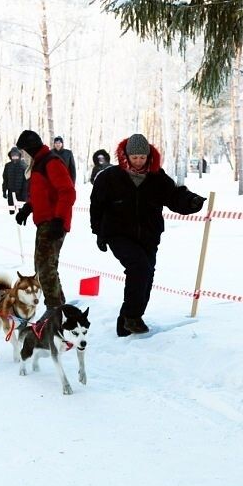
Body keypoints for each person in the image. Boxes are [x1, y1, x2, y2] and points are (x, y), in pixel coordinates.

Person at [90, 133, 206, 336]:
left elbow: (174, 195)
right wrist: (99, 232)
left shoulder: (157, 177)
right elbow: (97, 206)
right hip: (118, 234)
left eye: (142, 157)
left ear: (148, 156)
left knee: (146, 274)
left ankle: (129, 319)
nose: (138, 161)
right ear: (125, 156)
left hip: (148, 236)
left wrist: (191, 201)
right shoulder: (110, 177)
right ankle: (131, 318)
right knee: (139, 268)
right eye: (134, 157)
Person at [14, 129, 76, 310]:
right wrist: (28, 207)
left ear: (30, 149)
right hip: (44, 222)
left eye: (23, 151)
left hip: (53, 222)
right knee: (44, 268)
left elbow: (68, 191)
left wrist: (59, 220)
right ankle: (59, 307)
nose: (22, 156)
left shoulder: (51, 162)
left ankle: (55, 309)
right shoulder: (39, 163)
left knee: (45, 269)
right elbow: (42, 193)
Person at [2, 146, 28, 213]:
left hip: (21, 192)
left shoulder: (24, 166)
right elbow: (5, 179)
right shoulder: (7, 166)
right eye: (13, 155)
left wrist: (25, 193)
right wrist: (4, 190)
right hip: (11, 192)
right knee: (11, 210)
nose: (14, 157)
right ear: (10, 156)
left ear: (19, 155)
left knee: (21, 212)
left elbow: (26, 181)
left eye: (16, 155)